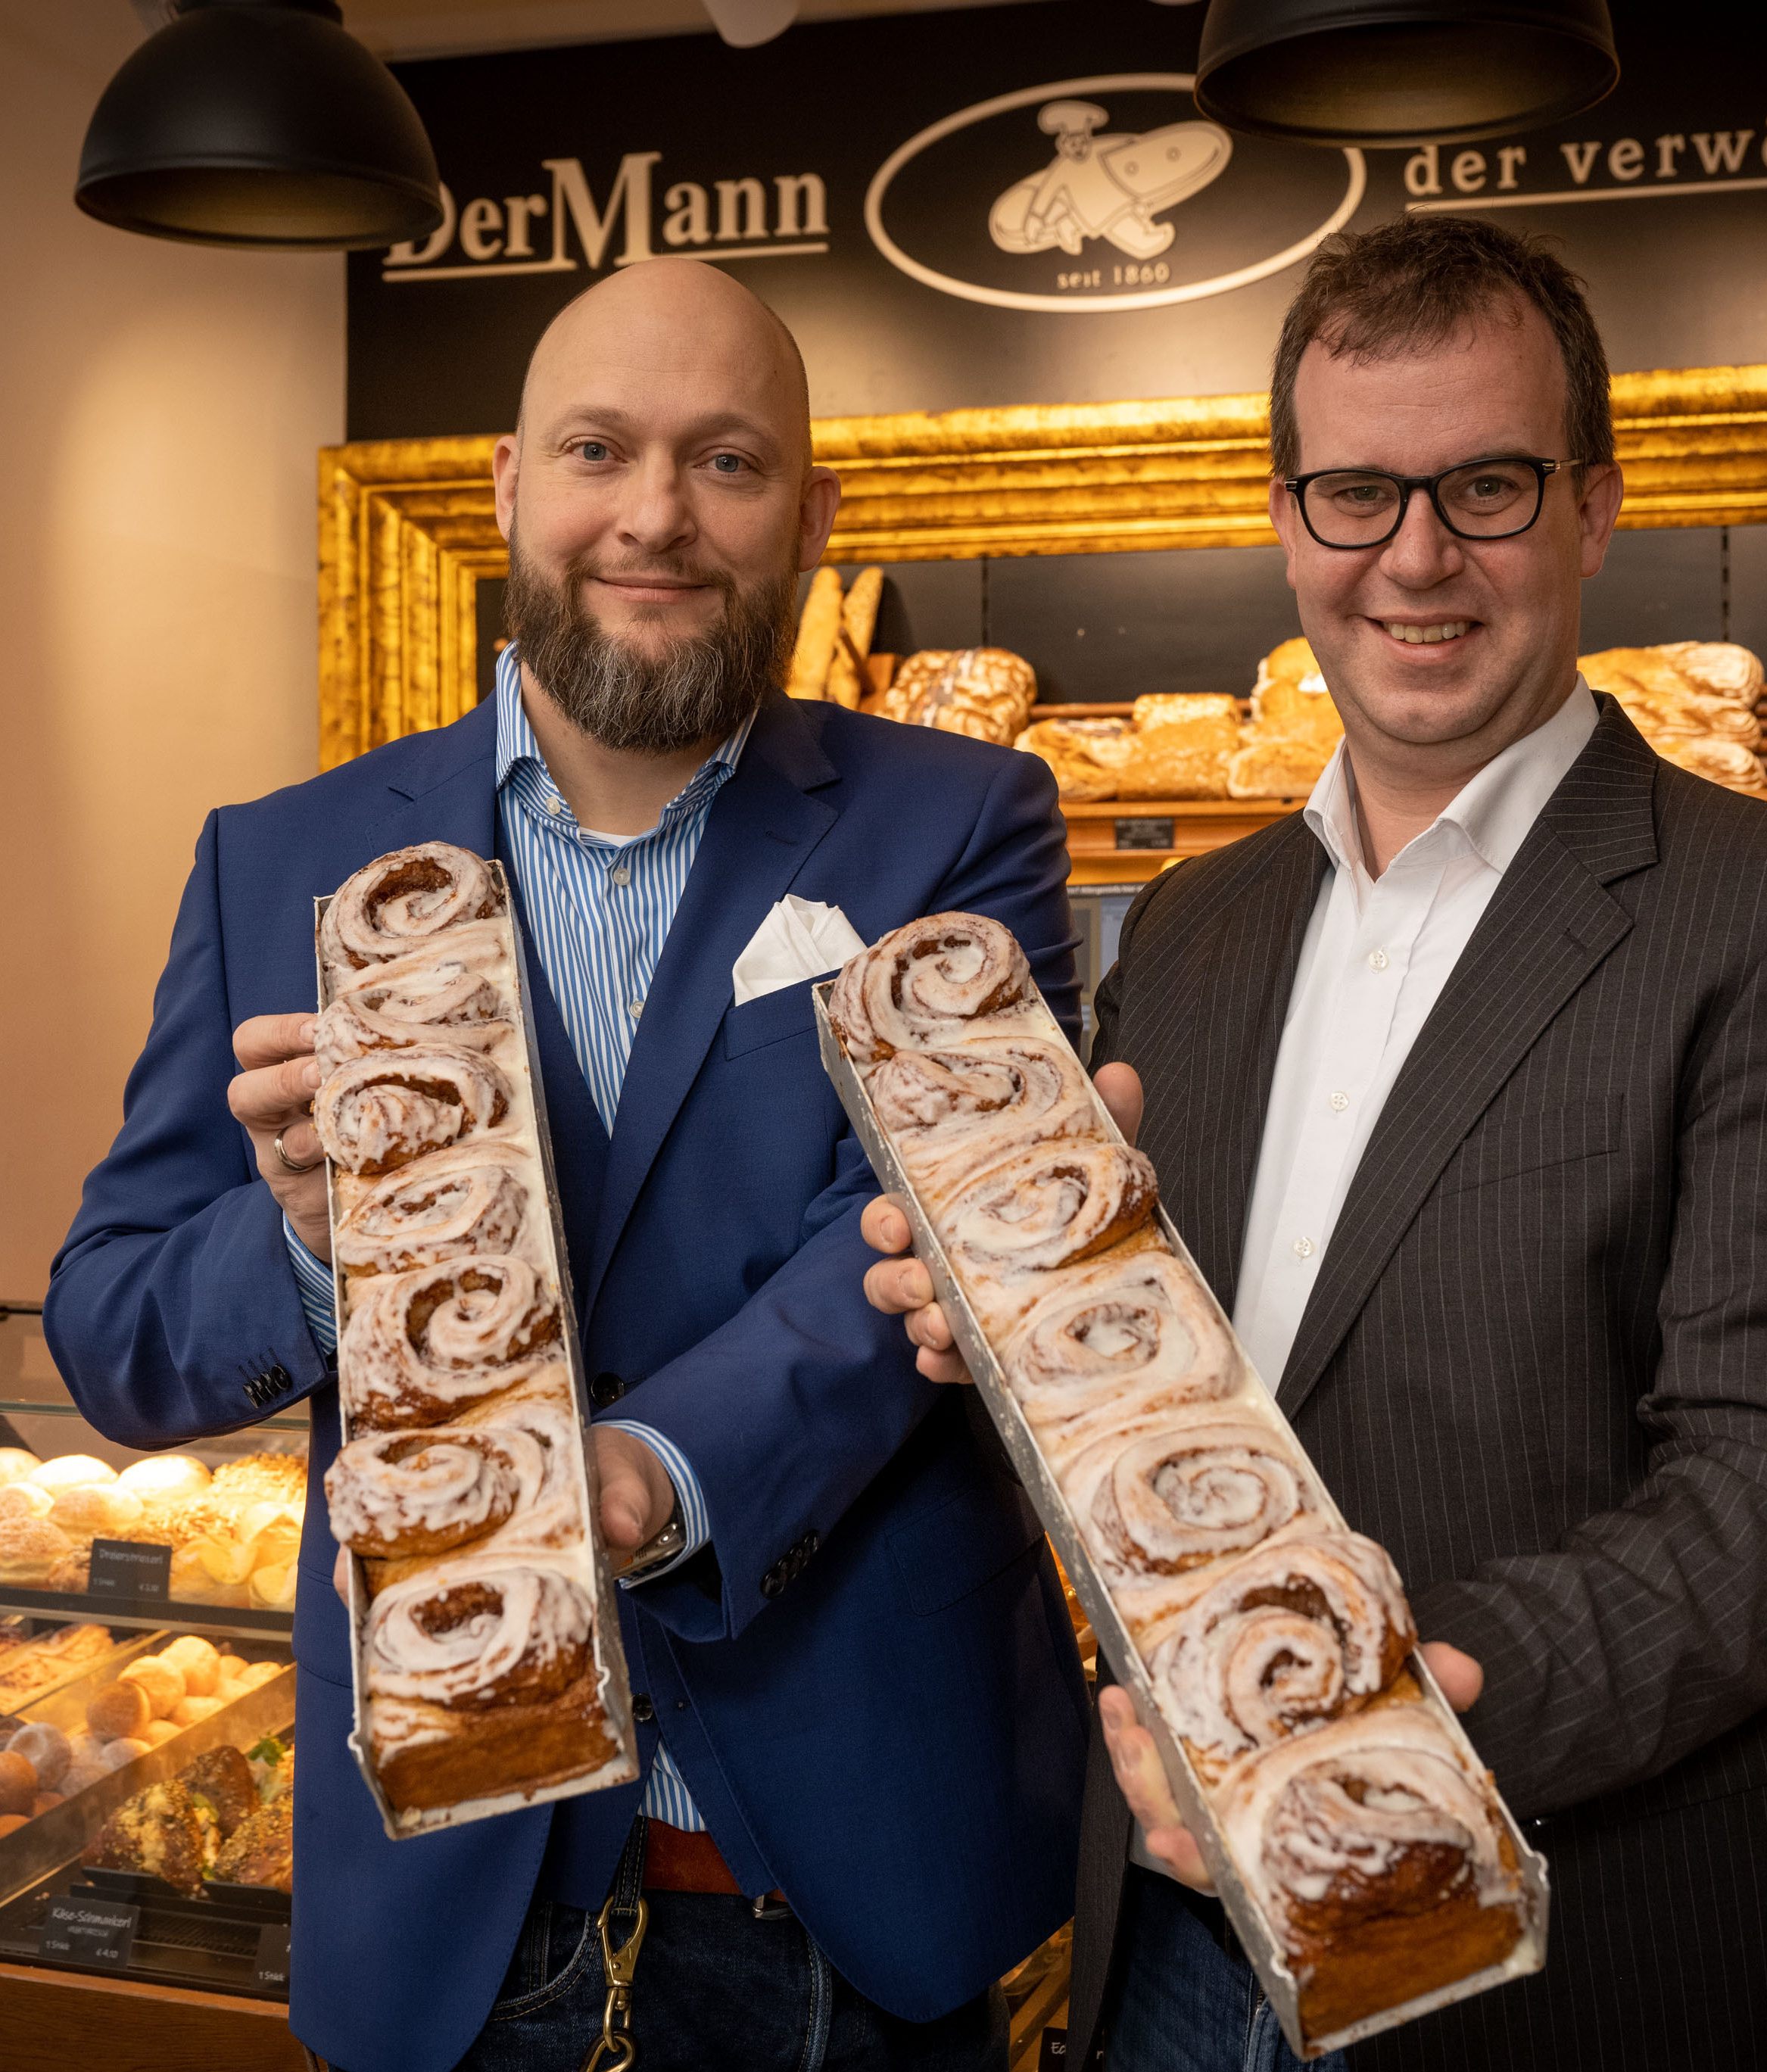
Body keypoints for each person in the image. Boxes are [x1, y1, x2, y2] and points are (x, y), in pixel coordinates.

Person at [864, 216, 1767, 2072]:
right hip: (1184, 1952)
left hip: (1604, 1946)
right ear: (1288, 516)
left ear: (1594, 507)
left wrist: (1405, 1704)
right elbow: (1179, 1417)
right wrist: (1011, 1331)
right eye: (1356, 493)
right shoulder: (1193, 933)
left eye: (1486, 485)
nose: (1416, 559)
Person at [45, 256, 1089, 2072]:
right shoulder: (274, 856)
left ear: (814, 516)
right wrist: (309, 1250)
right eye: (599, 449)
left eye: (728, 461)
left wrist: (649, 1470)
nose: (657, 516)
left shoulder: (956, 825)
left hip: (844, 1887)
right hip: (451, 1894)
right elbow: (113, 1323)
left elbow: (931, 1234)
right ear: (512, 486)